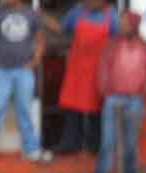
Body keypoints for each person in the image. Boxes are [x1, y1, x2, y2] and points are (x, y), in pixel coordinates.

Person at [0, 0, 51, 162]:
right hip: (2, 71)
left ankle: (31, 149)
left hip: (24, 70)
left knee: (25, 110)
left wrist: (35, 60)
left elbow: (40, 39)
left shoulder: (31, 14)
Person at [92, 10, 146, 173]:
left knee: (131, 143)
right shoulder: (112, 45)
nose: (121, 27)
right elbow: (103, 68)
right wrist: (105, 91)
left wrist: (145, 92)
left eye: (125, 24)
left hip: (135, 99)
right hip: (113, 98)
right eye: (121, 24)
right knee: (107, 141)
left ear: (134, 25)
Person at [43, 0, 117, 153]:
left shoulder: (112, 16)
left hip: (99, 69)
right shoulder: (78, 11)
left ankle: (95, 145)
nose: (88, 3)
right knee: (71, 106)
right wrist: (42, 17)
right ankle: (70, 143)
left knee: (96, 108)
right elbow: (62, 28)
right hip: (77, 67)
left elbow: (118, 41)